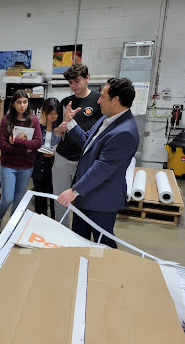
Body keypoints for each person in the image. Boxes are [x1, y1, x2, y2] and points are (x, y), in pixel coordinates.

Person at [57, 77, 139, 248]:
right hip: (84, 196)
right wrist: (71, 123)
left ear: (115, 100)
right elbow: (88, 143)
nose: (99, 100)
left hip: (101, 200)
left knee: (103, 245)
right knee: (79, 242)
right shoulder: (107, 118)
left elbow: (102, 168)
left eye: (103, 97)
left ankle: (103, 274)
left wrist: (74, 191)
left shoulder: (125, 132)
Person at [52, 63, 102, 227]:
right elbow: (57, 132)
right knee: (60, 198)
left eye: (77, 81)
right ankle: (61, 232)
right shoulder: (66, 102)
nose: (73, 86)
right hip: (63, 156)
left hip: (86, 158)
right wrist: (62, 126)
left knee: (84, 198)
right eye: (70, 83)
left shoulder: (98, 101)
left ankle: (81, 234)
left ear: (87, 78)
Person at [0, 90, 42, 232]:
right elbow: (3, 146)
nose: (22, 105)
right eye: (19, 102)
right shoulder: (6, 120)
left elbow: (38, 143)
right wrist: (26, 148)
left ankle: (12, 226)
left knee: (19, 198)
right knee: (8, 197)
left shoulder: (34, 120)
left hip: (26, 166)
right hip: (8, 165)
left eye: (25, 102)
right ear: (13, 104)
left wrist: (16, 142)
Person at [32, 98, 61, 218]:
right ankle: (40, 221)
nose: (53, 116)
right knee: (40, 197)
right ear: (44, 112)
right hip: (40, 164)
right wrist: (40, 153)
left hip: (55, 165)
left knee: (55, 198)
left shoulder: (60, 127)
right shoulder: (37, 126)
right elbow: (31, 145)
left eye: (55, 113)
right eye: (50, 113)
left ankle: (54, 223)